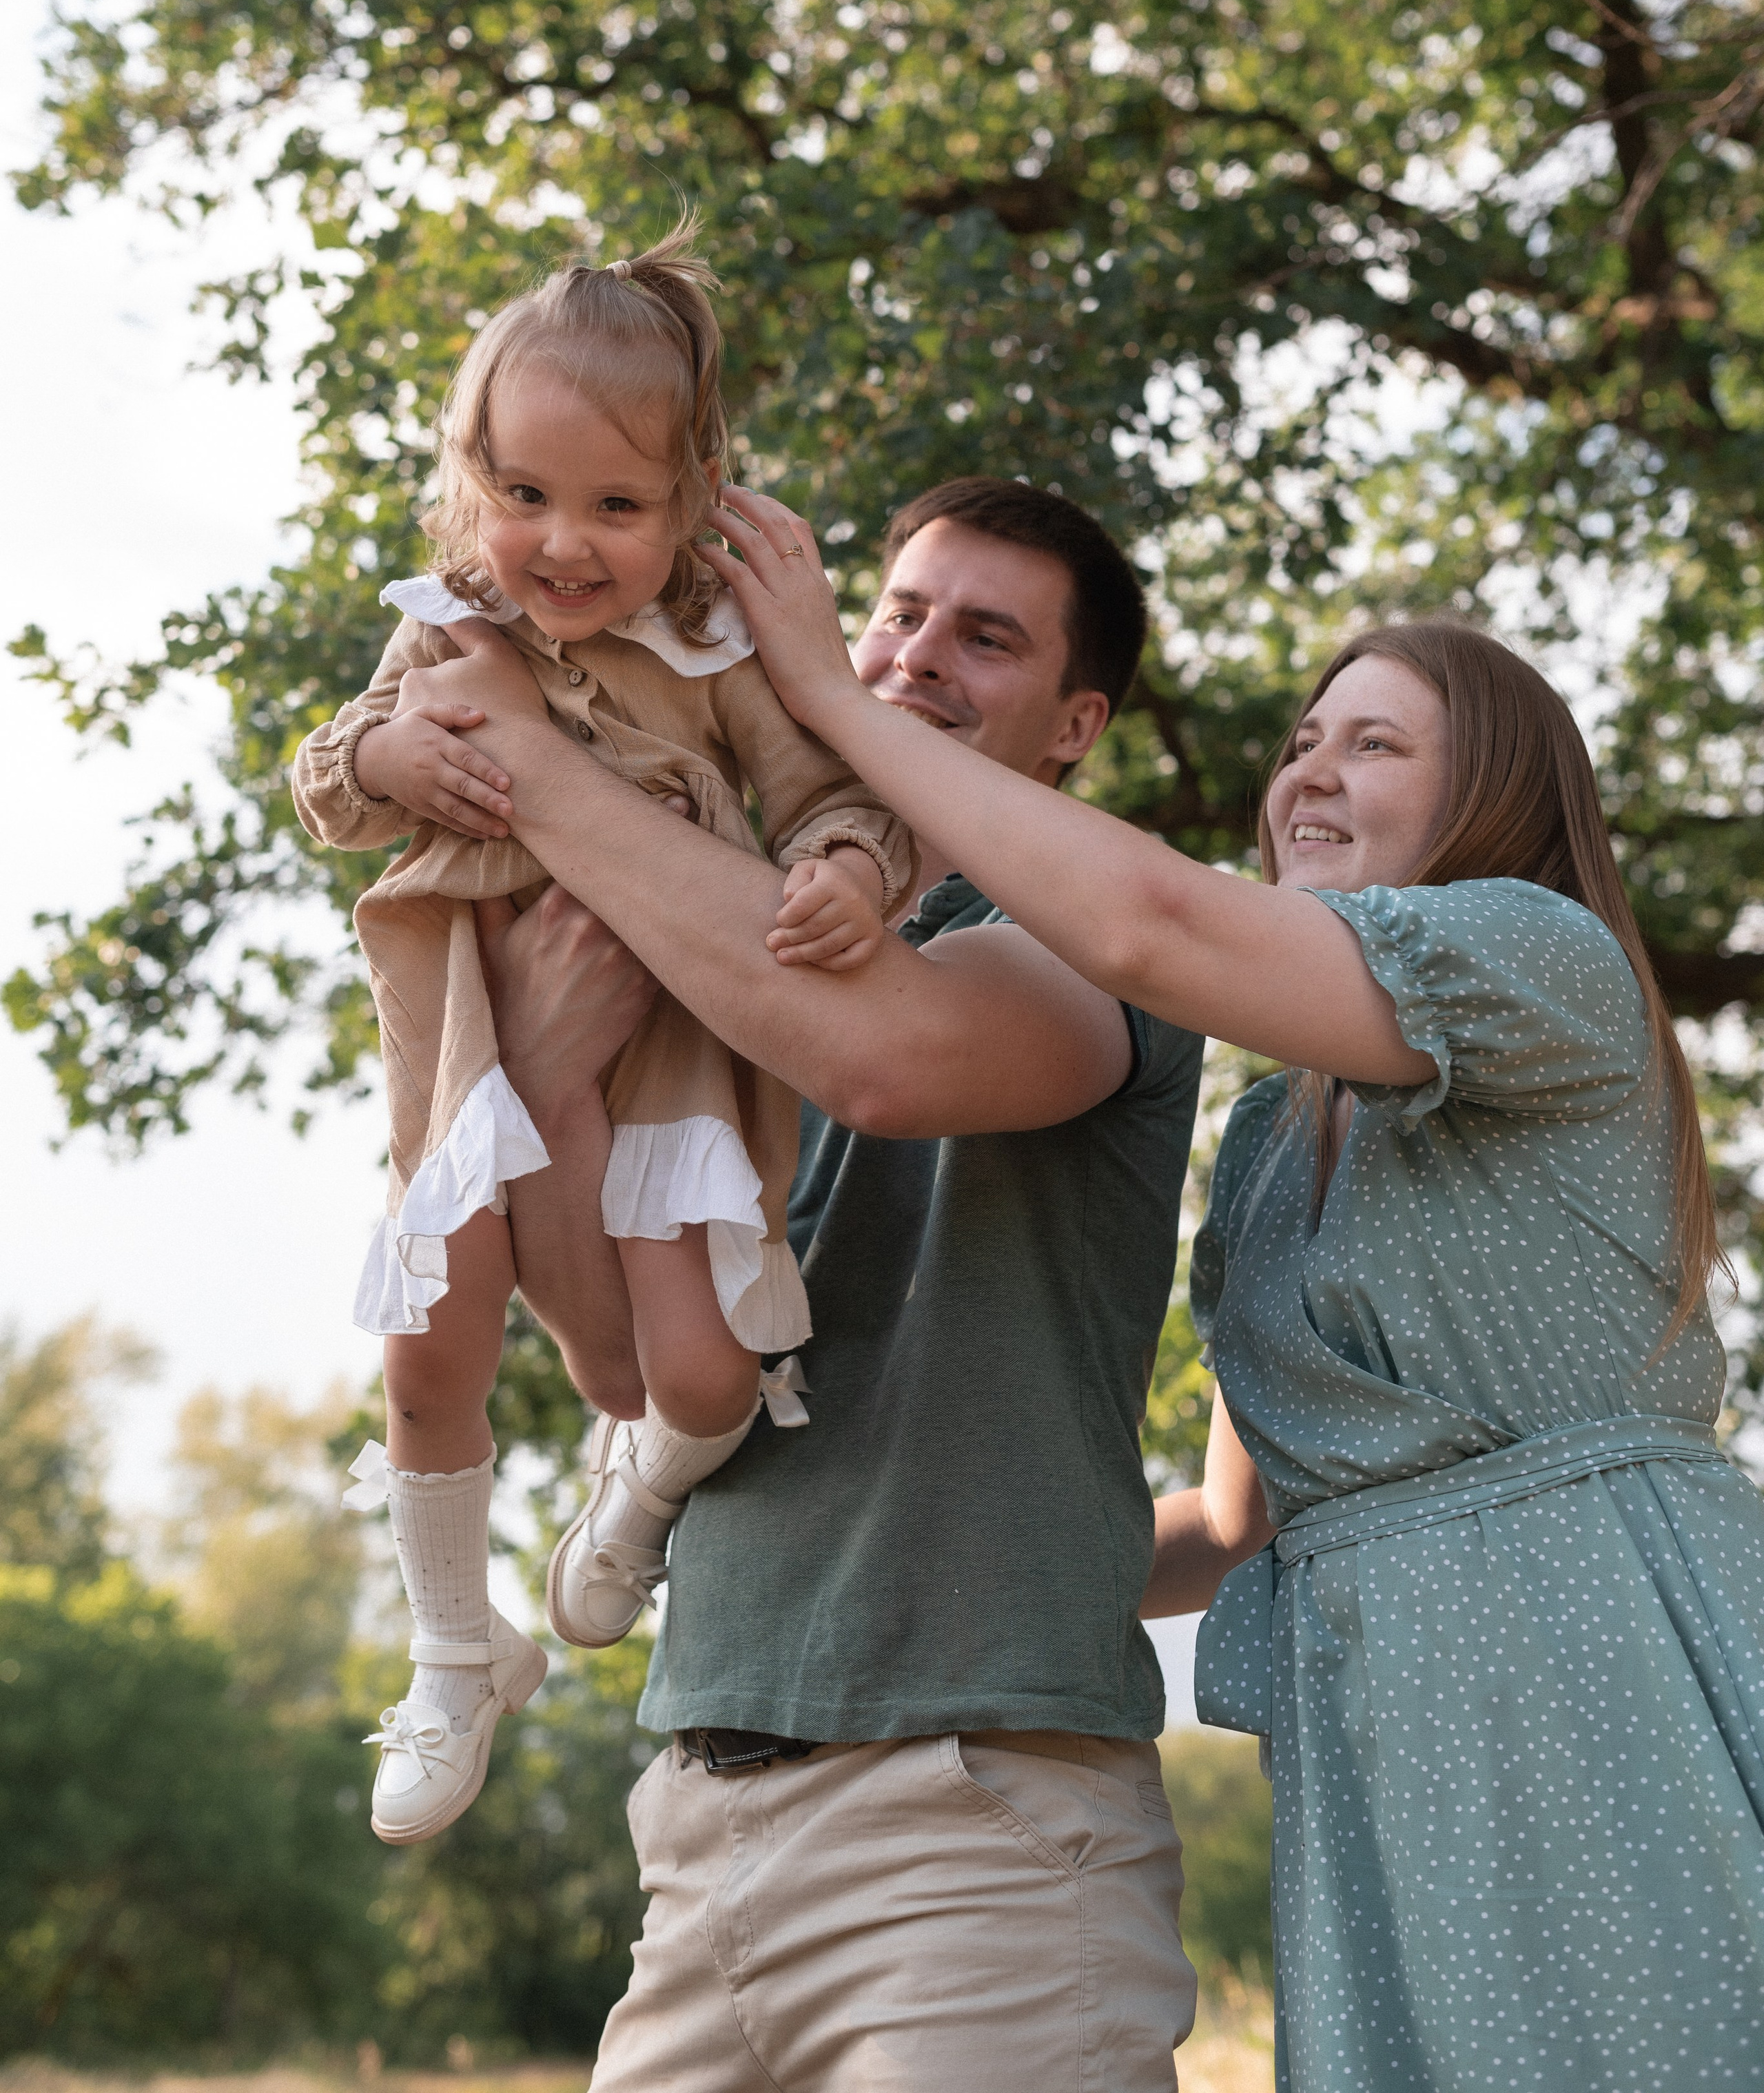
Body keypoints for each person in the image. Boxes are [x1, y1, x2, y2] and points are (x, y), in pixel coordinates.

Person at [694, 497, 1764, 2093]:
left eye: (1377, 746)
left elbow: (1148, 918)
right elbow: (1228, 1519)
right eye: (1301, 739)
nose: (1309, 774)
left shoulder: (1539, 954)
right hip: (1375, 1722)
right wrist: (919, 1571)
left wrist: (834, 698)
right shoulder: (1273, 1129)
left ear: (1496, 794)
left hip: (1587, 1647)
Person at [387, 475, 1207, 2092]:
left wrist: (527, 763)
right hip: (697, 1821)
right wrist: (550, 1080)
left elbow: (886, 1055)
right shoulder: (705, 955)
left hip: (972, 1827)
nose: (910, 658)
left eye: (985, 639)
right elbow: (625, 1368)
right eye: (896, 612)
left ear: (1071, 726)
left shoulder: (1085, 935)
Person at [290, 223, 912, 1846]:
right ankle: (449, 1648)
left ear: (696, 496)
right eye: (525, 495)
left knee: (698, 1367)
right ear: (472, 478)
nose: (560, 544)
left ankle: (628, 1494)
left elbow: (832, 798)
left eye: (615, 507)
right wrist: (390, 767)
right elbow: (330, 777)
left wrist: (845, 870)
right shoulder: (447, 624)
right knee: (429, 1337)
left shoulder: (717, 654)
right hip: (476, 1035)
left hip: (671, 1048)